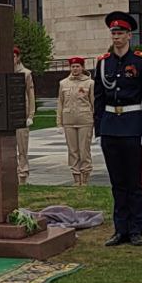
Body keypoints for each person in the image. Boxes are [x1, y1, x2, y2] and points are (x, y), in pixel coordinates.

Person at [93, 12, 142, 247]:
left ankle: (136, 229)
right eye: (113, 33)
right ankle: (120, 229)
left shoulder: (141, 61)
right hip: (110, 126)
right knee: (117, 182)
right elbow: (98, 98)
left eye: (120, 33)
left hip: (132, 125)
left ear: (130, 35)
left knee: (134, 182)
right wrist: (99, 129)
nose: (116, 37)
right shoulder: (103, 62)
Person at [56, 56, 94, 186]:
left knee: (84, 150)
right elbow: (60, 104)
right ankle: (76, 177)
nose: (75, 69)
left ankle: (85, 177)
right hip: (69, 121)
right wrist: (59, 123)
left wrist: (96, 121)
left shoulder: (89, 83)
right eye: (73, 66)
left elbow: (94, 103)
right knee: (72, 151)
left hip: (85, 120)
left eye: (78, 66)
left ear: (82, 67)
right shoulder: (63, 83)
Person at [13, 46, 36, 184]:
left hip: (22, 113)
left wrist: (31, 115)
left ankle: (23, 174)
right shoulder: (3, 71)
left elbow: (31, 95)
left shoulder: (26, 73)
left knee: (22, 146)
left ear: (18, 57)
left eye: (14, 56)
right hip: (8, 115)